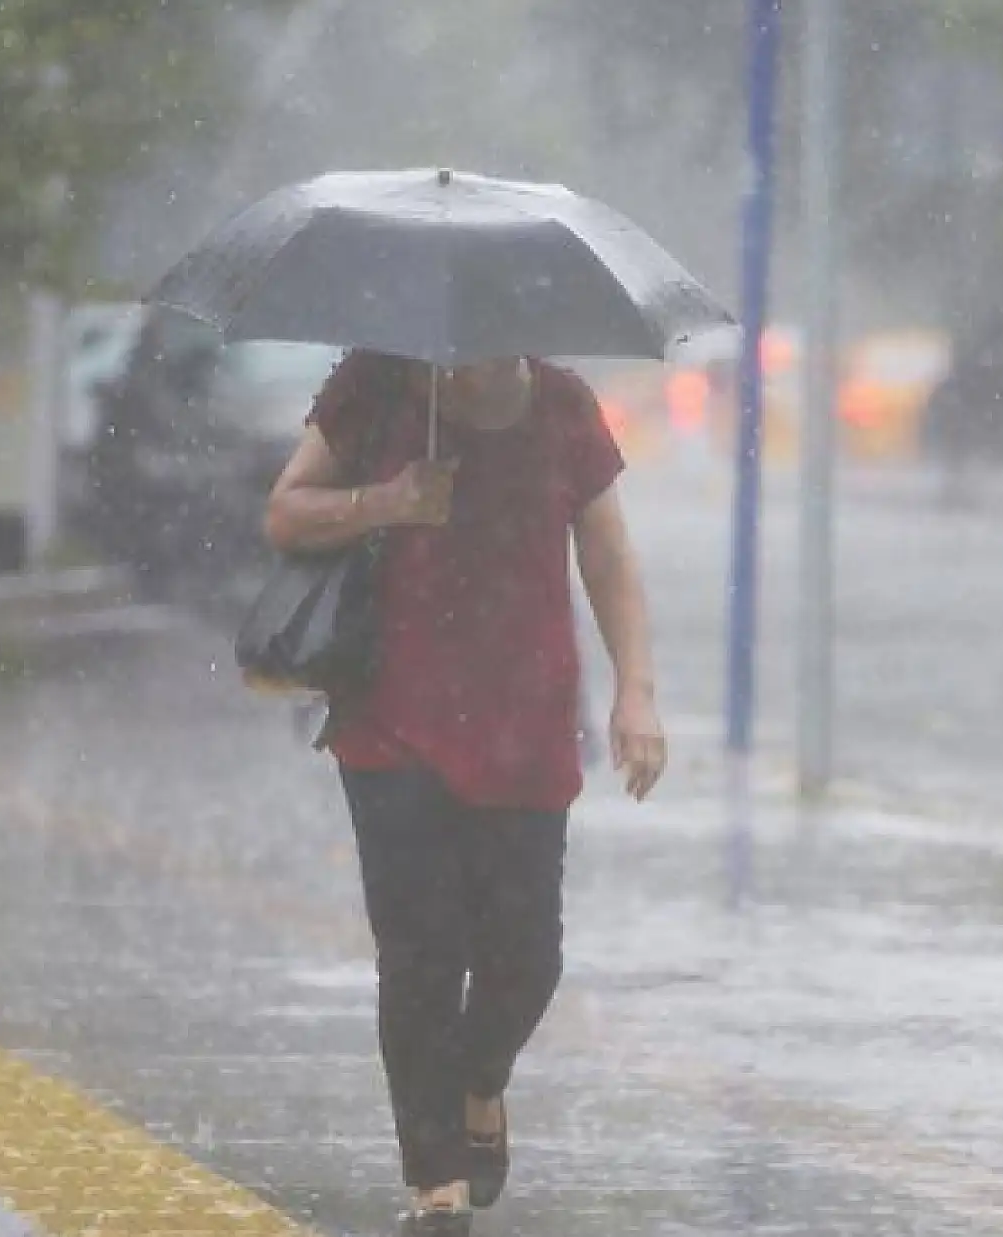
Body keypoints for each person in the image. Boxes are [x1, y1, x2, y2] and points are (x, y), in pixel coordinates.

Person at [264, 350, 666, 1235]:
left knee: (528, 955)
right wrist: (391, 500)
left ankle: (481, 1083)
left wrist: (635, 687)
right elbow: (286, 511)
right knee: (421, 954)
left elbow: (606, 552)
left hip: (526, 723)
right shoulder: (372, 387)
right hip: (393, 721)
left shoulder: (562, 406)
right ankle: (434, 1177)